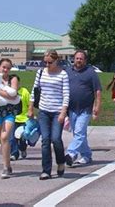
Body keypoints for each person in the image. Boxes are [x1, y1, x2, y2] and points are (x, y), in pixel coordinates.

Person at [28, 49, 69, 180]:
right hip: (44, 110)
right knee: (45, 140)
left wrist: (63, 112)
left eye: (50, 62)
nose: (47, 65)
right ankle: (46, 170)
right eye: (45, 62)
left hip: (57, 111)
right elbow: (34, 92)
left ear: (56, 61)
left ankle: (61, 161)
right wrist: (30, 108)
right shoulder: (40, 73)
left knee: (56, 139)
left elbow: (66, 95)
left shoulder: (63, 74)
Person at [64, 50, 101, 166]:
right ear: (73, 59)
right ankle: (86, 155)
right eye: (77, 58)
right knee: (79, 134)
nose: (78, 60)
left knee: (79, 132)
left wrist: (97, 105)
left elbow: (98, 91)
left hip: (85, 109)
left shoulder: (91, 73)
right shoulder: (67, 72)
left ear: (85, 60)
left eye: (81, 58)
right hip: (72, 109)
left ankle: (71, 154)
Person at [0, 58, 20, 178]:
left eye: (8, 68)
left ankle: (6, 167)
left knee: (5, 136)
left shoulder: (13, 79)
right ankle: (7, 164)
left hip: (10, 111)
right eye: (3, 67)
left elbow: (13, 95)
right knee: (1, 139)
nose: (5, 70)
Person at [10, 75, 30, 161]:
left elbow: (30, 104)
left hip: (24, 118)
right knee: (12, 137)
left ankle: (23, 148)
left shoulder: (24, 92)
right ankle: (14, 153)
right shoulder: (9, 92)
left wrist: (30, 112)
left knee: (22, 138)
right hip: (13, 118)